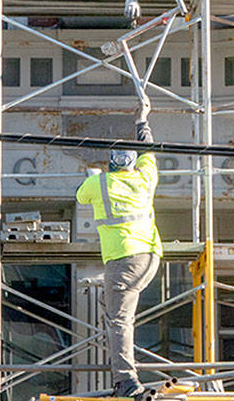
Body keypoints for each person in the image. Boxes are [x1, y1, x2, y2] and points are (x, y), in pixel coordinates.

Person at [75, 115, 161, 399]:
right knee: (115, 309)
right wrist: (142, 125)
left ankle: (127, 381)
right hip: (149, 258)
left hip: (123, 259)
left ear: (111, 163)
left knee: (120, 320)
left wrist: (94, 175)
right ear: (132, 163)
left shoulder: (100, 184)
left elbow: (80, 197)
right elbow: (150, 151)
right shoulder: (145, 178)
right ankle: (125, 372)